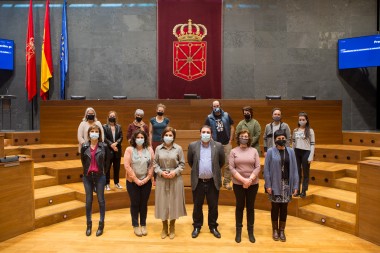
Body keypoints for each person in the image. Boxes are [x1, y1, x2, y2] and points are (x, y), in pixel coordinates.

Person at [187, 125, 225, 239]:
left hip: (212, 182)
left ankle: (213, 226)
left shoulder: (218, 146)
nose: (205, 134)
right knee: (197, 206)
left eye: (208, 132)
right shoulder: (193, 146)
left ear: (211, 134)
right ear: (200, 133)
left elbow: (221, 162)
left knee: (213, 206)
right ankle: (197, 226)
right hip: (198, 182)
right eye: (203, 132)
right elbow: (190, 162)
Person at [264, 129, 299, 242]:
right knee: (275, 207)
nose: (281, 140)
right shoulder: (270, 151)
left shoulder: (291, 151)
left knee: (284, 208)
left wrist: (295, 185)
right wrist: (268, 185)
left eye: (283, 138)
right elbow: (266, 170)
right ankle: (275, 230)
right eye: (279, 139)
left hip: (287, 184)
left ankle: (282, 230)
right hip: (274, 184)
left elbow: (295, 170)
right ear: (275, 140)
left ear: (286, 139)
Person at [154, 127, 187, 239]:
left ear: (173, 137)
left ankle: (172, 226)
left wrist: (175, 172)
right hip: (161, 179)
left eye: (170, 135)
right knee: (163, 202)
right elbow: (155, 164)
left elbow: (182, 164)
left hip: (175, 179)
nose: (168, 137)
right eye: (166, 135)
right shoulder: (158, 148)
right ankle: (164, 227)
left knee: (173, 202)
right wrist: (160, 172)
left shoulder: (178, 148)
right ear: (163, 136)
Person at [229, 129, 261, 243]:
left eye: (246, 136)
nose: (244, 138)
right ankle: (238, 232)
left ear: (249, 138)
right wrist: (243, 180)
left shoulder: (254, 151)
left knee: (250, 207)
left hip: (253, 184)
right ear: (238, 138)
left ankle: (250, 232)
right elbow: (232, 168)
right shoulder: (233, 151)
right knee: (239, 207)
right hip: (238, 184)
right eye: (242, 136)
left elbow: (258, 167)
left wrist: (250, 179)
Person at [124, 130, 154, 237]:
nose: (140, 139)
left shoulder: (149, 149)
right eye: (138, 137)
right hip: (132, 182)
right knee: (135, 203)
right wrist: (136, 179)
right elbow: (127, 166)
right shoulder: (129, 150)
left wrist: (147, 178)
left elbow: (152, 165)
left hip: (146, 181)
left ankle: (143, 224)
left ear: (145, 139)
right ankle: (136, 225)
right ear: (134, 139)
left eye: (142, 137)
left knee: (143, 204)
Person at [80, 124, 109, 237]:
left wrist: (102, 172)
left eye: (96, 131)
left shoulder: (104, 146)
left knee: (101, 200)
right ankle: (89, 225)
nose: (94, 133)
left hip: (100, 176)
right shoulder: (84, 146)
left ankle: (101, 224)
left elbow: (106, 163)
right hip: (87, 177)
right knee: (88, 201)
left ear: (99, 133)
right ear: (89, 133)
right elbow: (83, 161)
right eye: (92, 131)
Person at [204, 100, 234, 190]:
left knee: (228, 163)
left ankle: (227, 182)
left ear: (220, 106)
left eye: (217, 105)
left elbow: (232, 126)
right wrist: (211, 140)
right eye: (214, 106)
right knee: (216, 164)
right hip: (215, 144)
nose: (216, 107)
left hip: (226, 143)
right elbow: (206, 129)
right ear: (212, 107)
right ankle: (218, 182)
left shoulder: (226, 115)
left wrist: (231, 139)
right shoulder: (209, 117)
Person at [292, 112, 315, 198]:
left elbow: (312, 144)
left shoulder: (310, 130)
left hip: (306, 152)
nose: (301, 121)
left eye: (303, 120)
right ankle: (297, 190)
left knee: (305, 172)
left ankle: (304, 190)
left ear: (306, 120)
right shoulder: (295, 130)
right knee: (297, 172)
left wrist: (311, 156)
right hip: (297, 152)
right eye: (300, 120)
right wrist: (293, 153)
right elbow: (293, 142)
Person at [103, 111, 123, 191]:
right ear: (108, 117)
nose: (112, 117)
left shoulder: (119, 126)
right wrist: (111, 144)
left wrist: (116, 143)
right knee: (107, 168)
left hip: (117, 150)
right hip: (108, 150)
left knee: (117, 168)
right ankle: (107, 184)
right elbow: (104, 138)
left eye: (113, 116)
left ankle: (116, 182)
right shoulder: (104, 127)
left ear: (116, 117)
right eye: (111, 116)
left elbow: (121, 137)